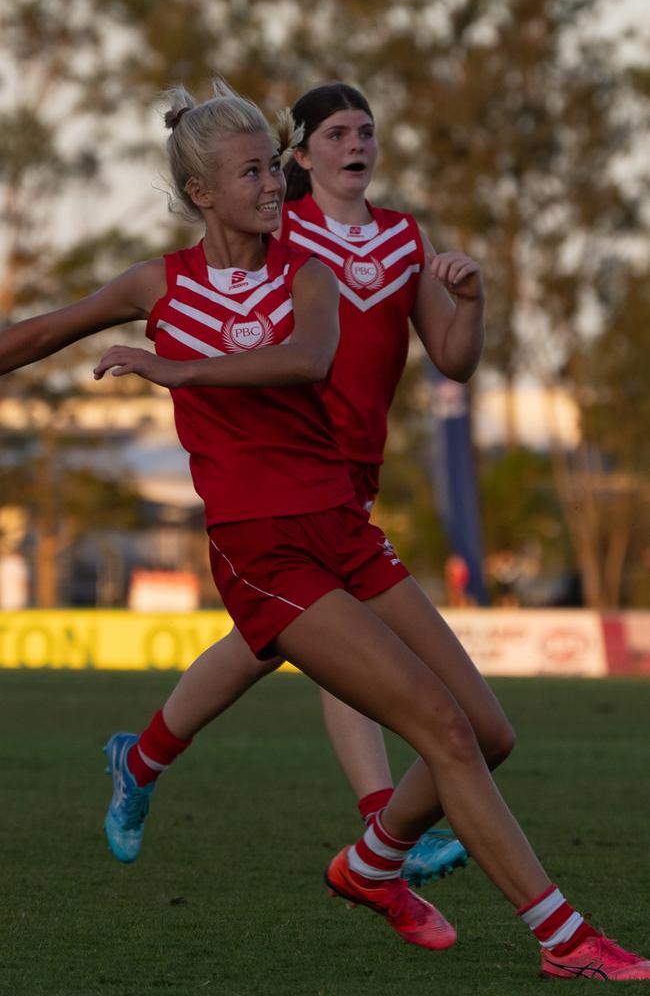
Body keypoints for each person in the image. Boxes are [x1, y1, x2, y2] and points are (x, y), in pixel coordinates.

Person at [1, 80, 647, 980]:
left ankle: (373, 863)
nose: (275, 186)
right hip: (262, 551)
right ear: (203, 194)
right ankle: (565, 939)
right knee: (444, 732)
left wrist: (179, 370)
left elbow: (311, 358)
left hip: (342, 527)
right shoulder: (160, 282)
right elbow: (38, 335)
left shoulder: (306, 275)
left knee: (490, 733)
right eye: (256, 171)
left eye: (274, 165)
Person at [101, 81, 502, 888]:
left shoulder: (399, 239)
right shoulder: (280, 236)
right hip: (288, 477)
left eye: (368, 131)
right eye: (338, 133)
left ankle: (142, 759)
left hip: (351, 471)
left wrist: (472, 302)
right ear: (301, 151)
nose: (357, 145)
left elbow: (453, 359)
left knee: (269, 645)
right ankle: (381, 829)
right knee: (325, 646)